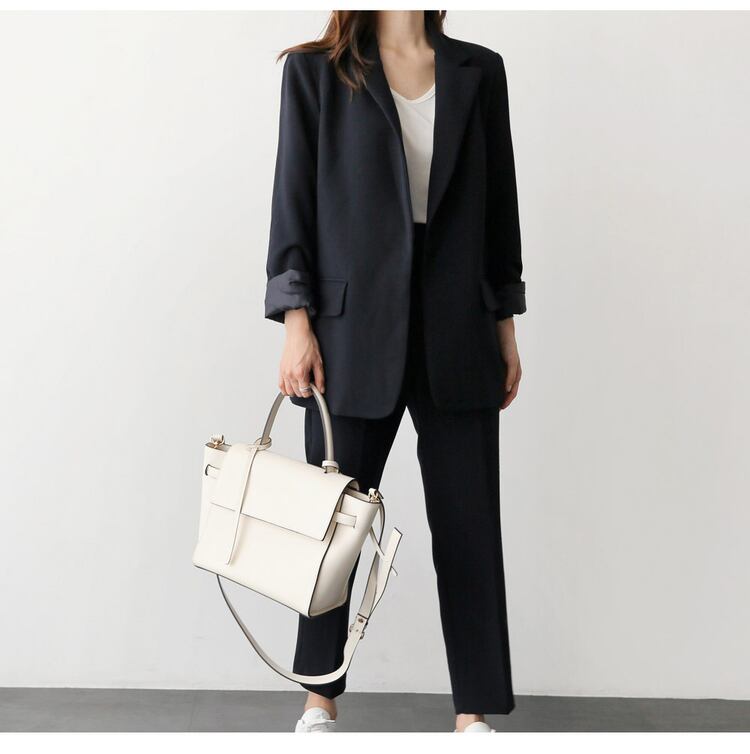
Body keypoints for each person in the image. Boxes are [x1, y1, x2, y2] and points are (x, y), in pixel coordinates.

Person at [264, 10, 526, 733]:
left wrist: (504, 325)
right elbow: (293, 200)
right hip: (351, 332)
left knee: (470, 525)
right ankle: (319, 700)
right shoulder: (316, 71)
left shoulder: (479, 70)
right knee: (333, 526)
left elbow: (499, 207)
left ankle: (472, 714)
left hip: (460, 327)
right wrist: (296, 322)